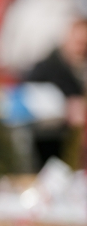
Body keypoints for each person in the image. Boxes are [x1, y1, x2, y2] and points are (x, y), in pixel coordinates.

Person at [24, 18, 87, 167]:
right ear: (68, 39)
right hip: (48, 147)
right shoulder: (46, 69)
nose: (81, 49)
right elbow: (29, 99)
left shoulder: (80, 71)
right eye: (78, 43)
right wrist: (63, 107)